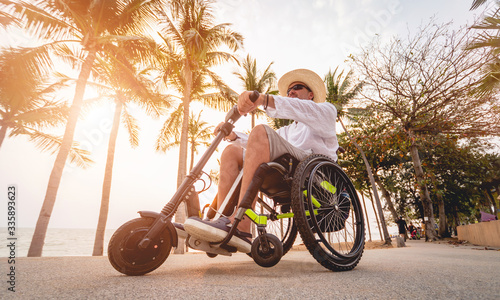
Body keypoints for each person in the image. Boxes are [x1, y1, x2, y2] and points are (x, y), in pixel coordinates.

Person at [184, 69, 338, 252]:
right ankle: (222, 220)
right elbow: (256, 145)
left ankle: (241, 225)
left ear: (311, 94)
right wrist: (233, 136)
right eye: (289, 91)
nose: (291, 92)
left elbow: (301, 109)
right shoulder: (288, 131)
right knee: (231, 151)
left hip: (315, 172)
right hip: (285, 168)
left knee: (260, 130)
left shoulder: (326, 111)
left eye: (297, 87)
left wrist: (263, 100)